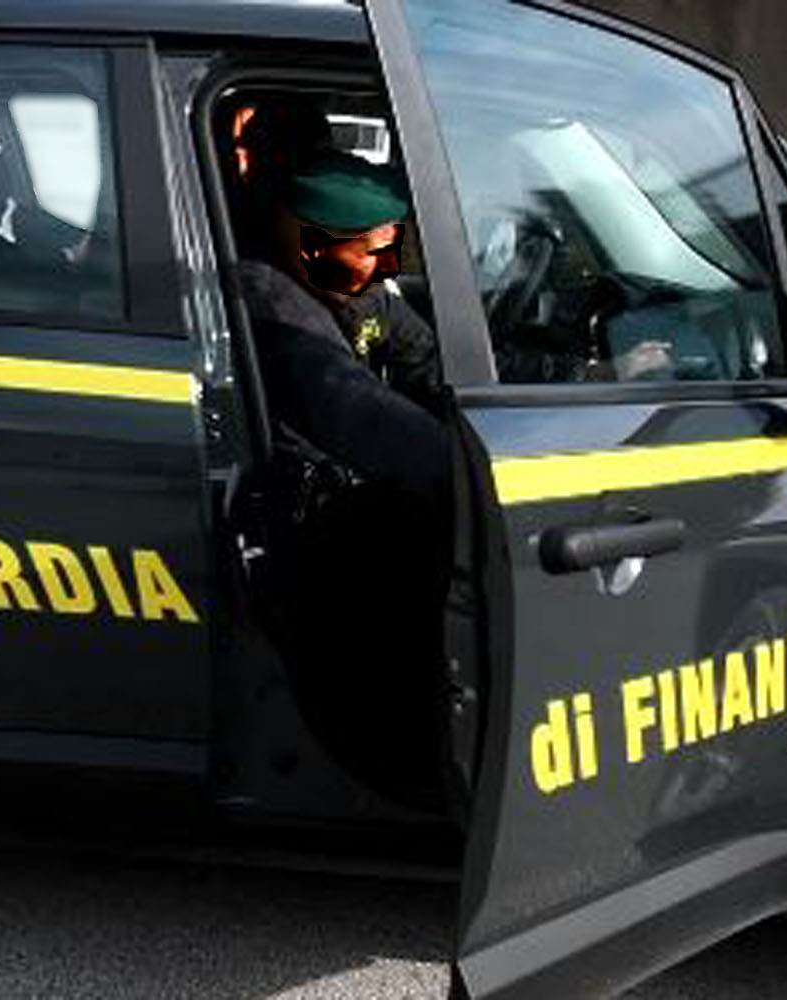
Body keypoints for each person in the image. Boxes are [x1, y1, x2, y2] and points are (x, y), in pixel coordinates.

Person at [232, 136, 456, 812]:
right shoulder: (275, 302)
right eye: (369, 250)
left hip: (352, 481)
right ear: (306, 240)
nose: (385, 266)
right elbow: (351, 406)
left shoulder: (362, 293)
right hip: (306, 511)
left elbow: (428, 366)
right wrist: (463, 475)